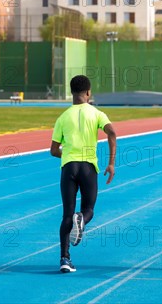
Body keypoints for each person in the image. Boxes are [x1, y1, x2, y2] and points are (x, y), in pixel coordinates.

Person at [50, 75, 117, 273]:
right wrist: (111, 163)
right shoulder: (96, 113)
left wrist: (68, 153)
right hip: (88, 167)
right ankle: (82, 219)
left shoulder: (62, 117)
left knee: (66, 215)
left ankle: (64, 258)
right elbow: (112, 133)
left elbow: (53, 150)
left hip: (69, 167)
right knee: (88, 209)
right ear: (88, 93)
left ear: (71, 92)